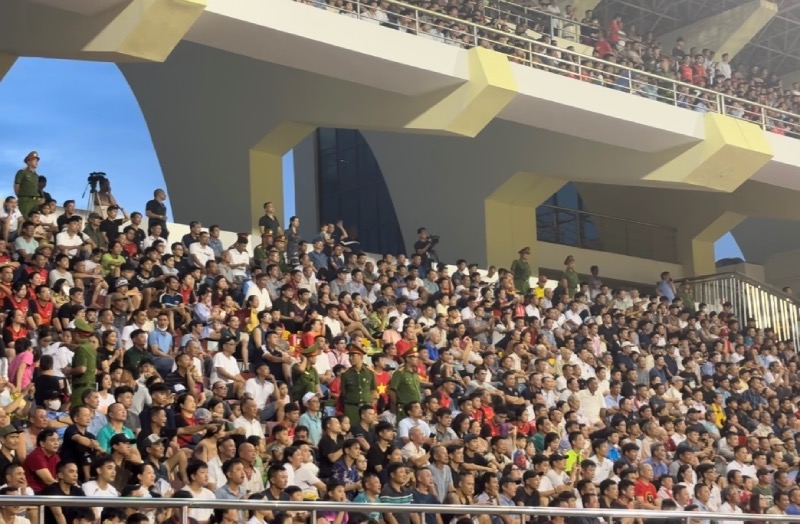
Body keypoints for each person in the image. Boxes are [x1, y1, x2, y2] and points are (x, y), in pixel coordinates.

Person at [14, 152, 41, 221]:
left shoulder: (36, 176)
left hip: (35, 201)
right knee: (24, 220)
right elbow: (17, 185)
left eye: (37, 161)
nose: (37, 162)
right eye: (35, 160)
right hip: (25, 200)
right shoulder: (22, 172)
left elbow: (37, 188)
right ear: (28, 161)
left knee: (34, 221)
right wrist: (20, 197)